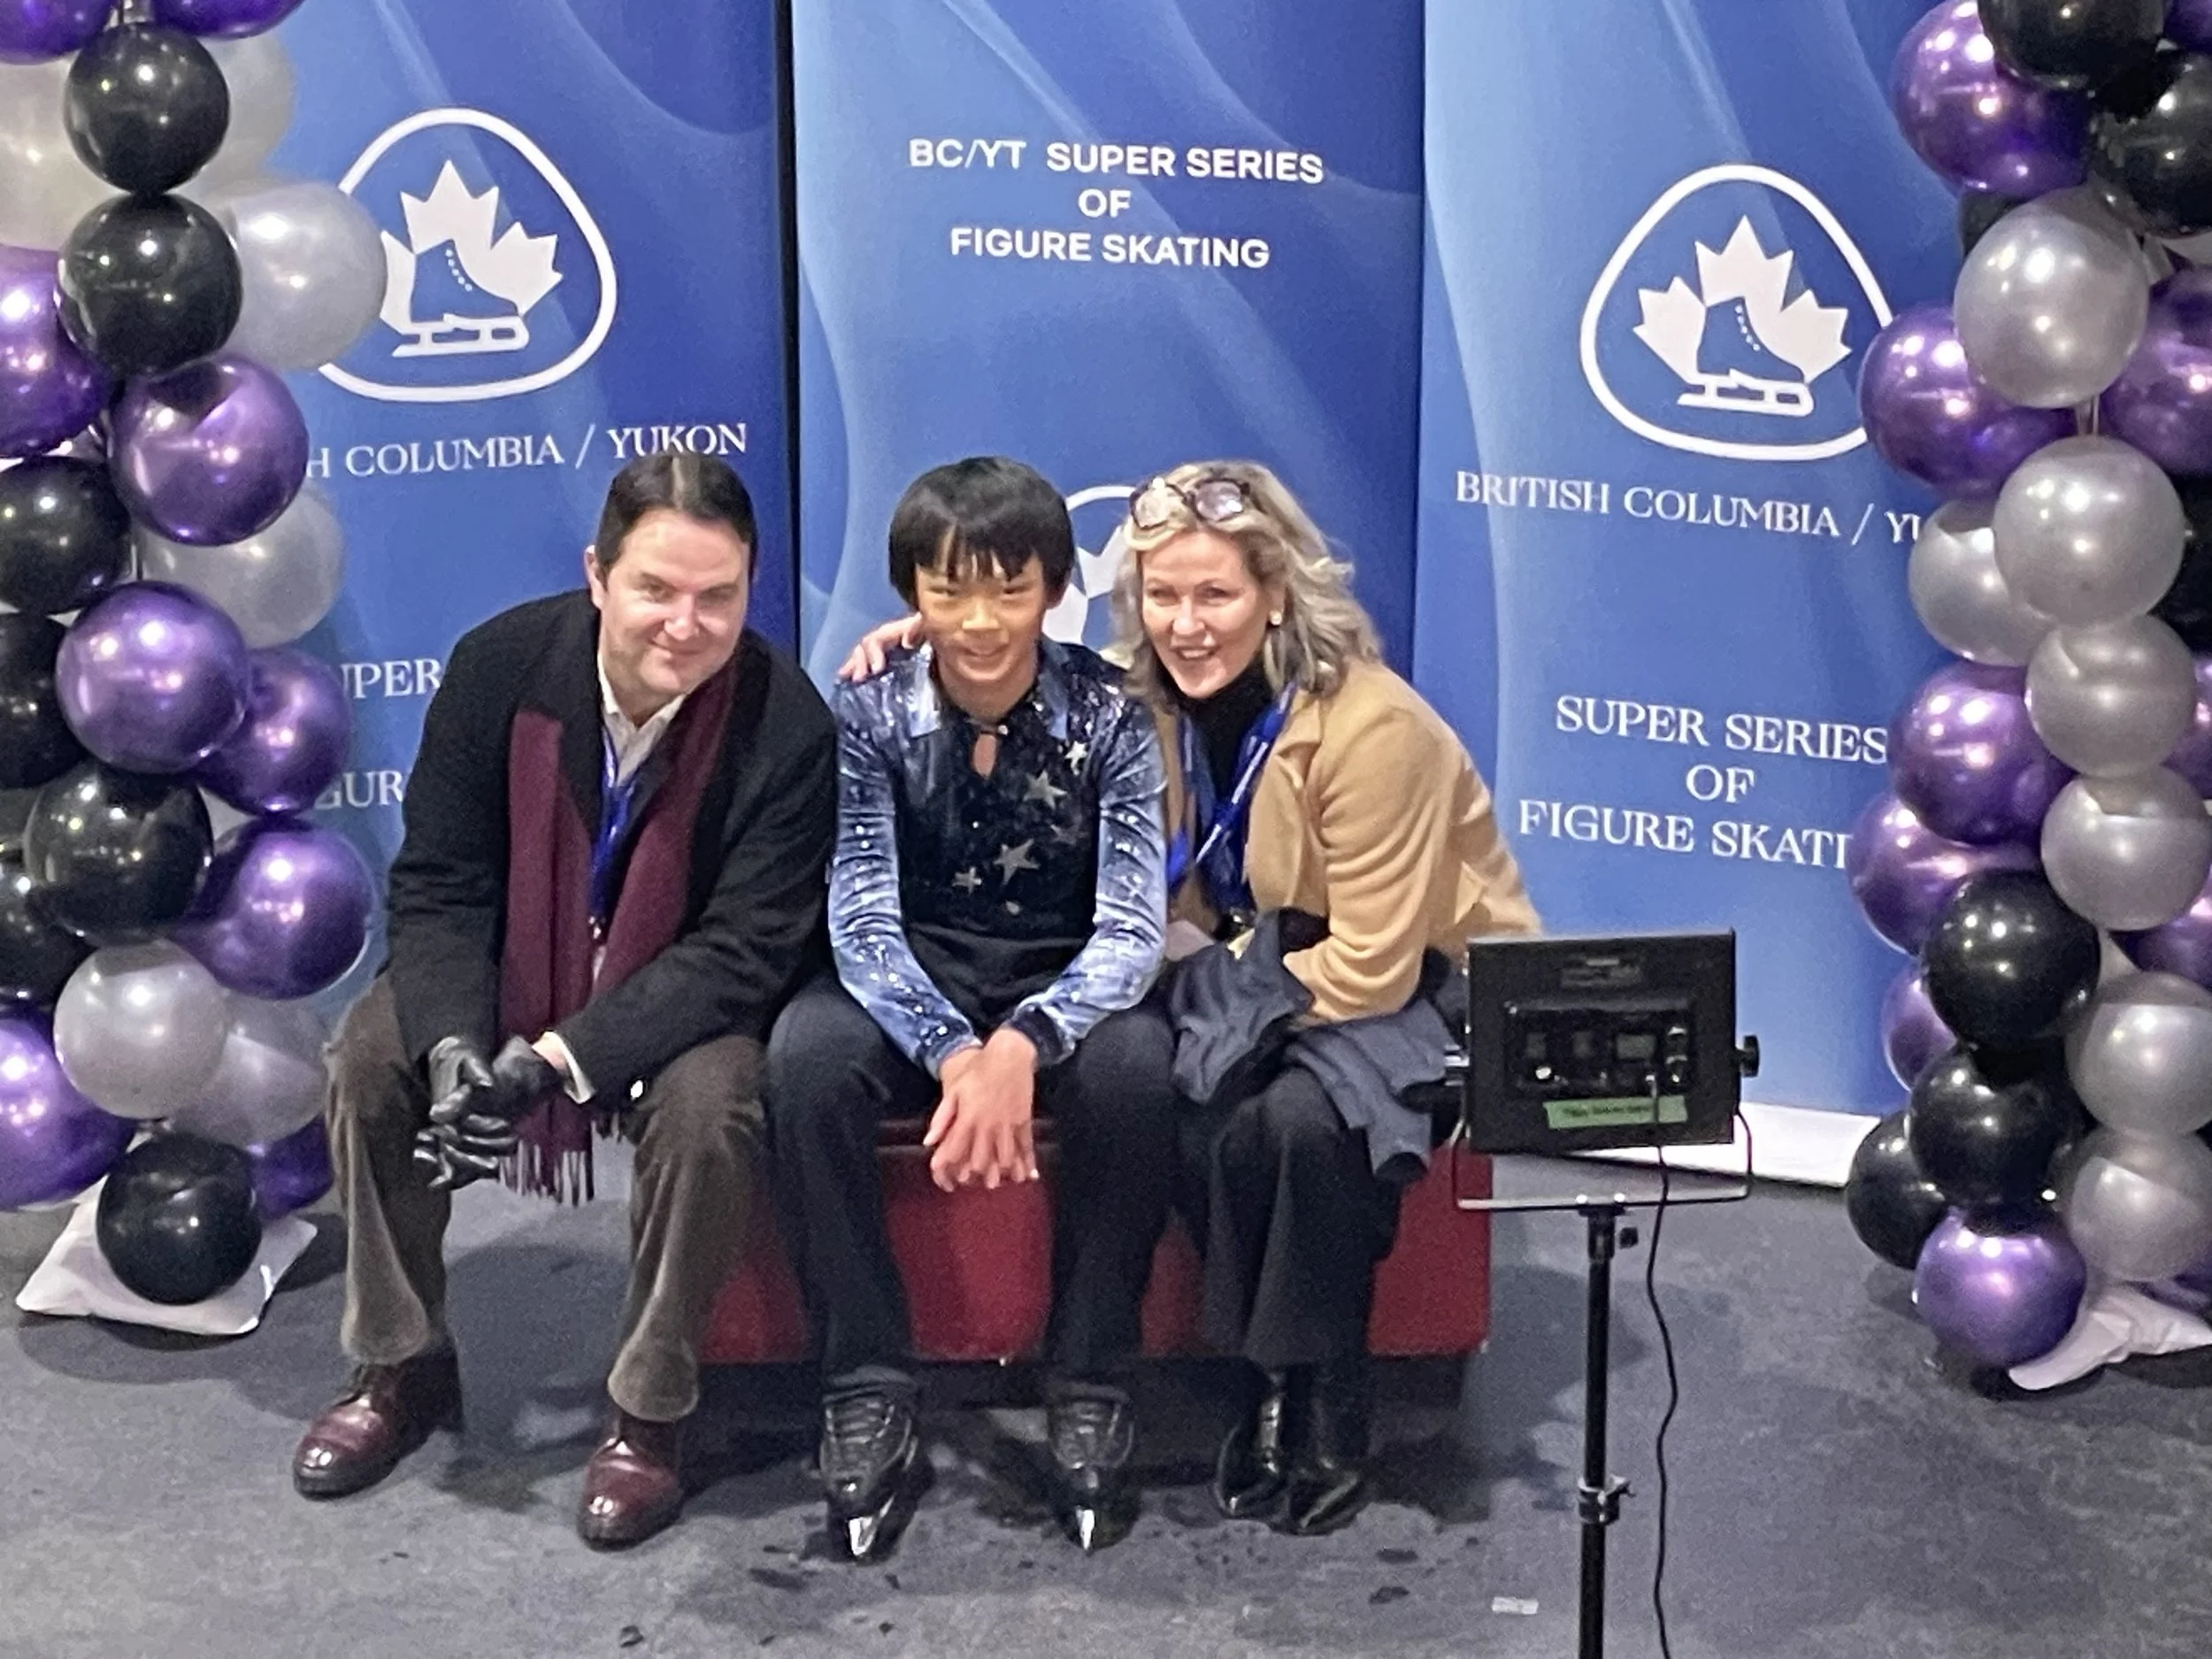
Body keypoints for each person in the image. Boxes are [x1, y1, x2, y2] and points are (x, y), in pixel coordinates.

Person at [291, 452, 838, 1549]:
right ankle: (401, 1361)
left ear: (749, 590)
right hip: (505, 974)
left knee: (710, 1109)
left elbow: (743, 953)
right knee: (367, 1055)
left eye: (716, 596)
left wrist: (554, 1059)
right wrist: (455, 1051)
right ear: (598, 576)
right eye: (655, 589)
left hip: (669, 1003)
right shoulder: (501, 668)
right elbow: (441, 882)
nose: (684, 624)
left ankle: (649, 1409)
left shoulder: (786, 725)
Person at [766, 457, 1175, 1560]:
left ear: (1054, 587)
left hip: (1066, 976)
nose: (981, 620)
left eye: (1010, 587)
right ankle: (863, 1381)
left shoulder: (1114, 716)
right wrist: (956, 1052)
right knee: (805, 1059)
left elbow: (1132, 927)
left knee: (1140, 1073)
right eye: (950, 590)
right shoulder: (866, 711)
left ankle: (1090, 1379)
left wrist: (1024, 1043)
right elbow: (858, 918)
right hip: (914, 973)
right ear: (912, 592)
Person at [1118, 460, 1538, 1535]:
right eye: (1163, 596)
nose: (1186, 623)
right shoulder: (1151, 706)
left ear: (1275, 593)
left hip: (1419, 978)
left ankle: (1327, 1390)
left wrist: (1210, 990)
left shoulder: (1370, 727)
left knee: (1302, 1126)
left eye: (1214, 596)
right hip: (1260, 961)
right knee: (1201, 1107)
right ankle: (1271, 1380)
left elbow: (1373, 970)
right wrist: (901, 646)